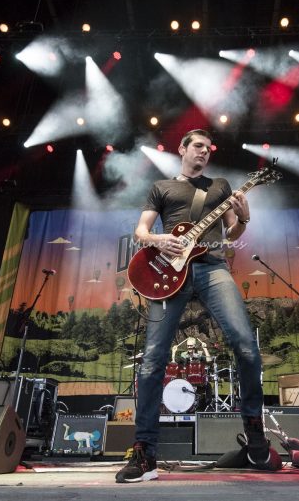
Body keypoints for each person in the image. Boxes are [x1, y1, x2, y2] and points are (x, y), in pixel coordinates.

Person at [116, 129, 277, 483]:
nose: (205, 151)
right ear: (183, 149)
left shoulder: (220, 186)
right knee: (153, 359)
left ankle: (254, 435)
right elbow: (142, 232)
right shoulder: (162, 188)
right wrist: (163, 240)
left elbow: (231, 234)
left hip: (212, 266)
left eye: (209, 147)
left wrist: (244, 218)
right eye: (198, 146)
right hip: (169, 271)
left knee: (247, 348)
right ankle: (145, 453)